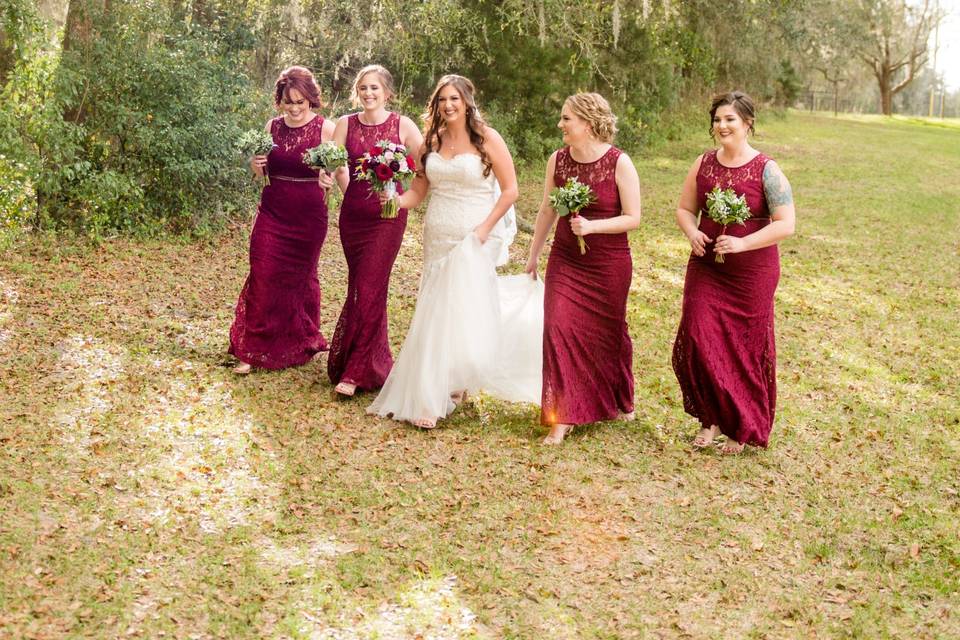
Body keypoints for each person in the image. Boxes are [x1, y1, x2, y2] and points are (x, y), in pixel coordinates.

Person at [367, 74, 543, 429]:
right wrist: (394, 201)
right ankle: (444, 384)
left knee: (464, 306)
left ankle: (447, 387)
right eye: (443, 99)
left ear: (467, 102)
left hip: (475, 234)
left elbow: (510, 191)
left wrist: (484, 230)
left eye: (455, 99)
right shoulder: (431, 141)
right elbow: (418, 192)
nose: (449, 105)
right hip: (438, 231)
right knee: (436, 305)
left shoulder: (488, 139)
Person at [671, 91, 795, 454]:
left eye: (730, 120)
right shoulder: (703, 163)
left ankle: (739, 426)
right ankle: (710, 417)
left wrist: (742, 243)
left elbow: (786, 224)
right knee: (698, 334)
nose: (722, 126)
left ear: (747, 124)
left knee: (743, 347)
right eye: (717, 120)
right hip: (707, 265)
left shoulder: (767, 170)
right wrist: (692, 231)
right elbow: (684, 209)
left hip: (752, 272)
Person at [525, 93, 642, 445]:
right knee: (558, 327)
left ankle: (616, 397)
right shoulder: (557, 161)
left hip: (609, 263)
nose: (560, 125)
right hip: (567, 259)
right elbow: (547, 210)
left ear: (587, 124)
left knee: (608, 333)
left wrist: (592, 227)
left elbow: (634, 218)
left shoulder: (619, 163)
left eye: (566, 119)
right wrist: (533, 256)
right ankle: (563, 415)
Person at [319, 65, 423, 397]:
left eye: (375, 88)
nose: (368, 94)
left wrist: (399, 194)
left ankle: (355, 372)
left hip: (388, 218)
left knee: (369, 284)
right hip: (354, 217)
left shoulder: (403, 125)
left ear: (387, 93)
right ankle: (372, 362)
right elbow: (333, 164)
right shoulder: (345, 124)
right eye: (363, 88)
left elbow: (424, 170)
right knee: (361, 287)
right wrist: (332, 179)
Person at [229, 66, 336, 374]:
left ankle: (296, 339)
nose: (295, 108)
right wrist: (255, 164)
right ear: (280, 101)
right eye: (289, 101)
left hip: (309, 217)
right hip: (272, 212)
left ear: (311, 100)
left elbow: (338, 171)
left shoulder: (325, 129)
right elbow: (259, 174)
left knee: (299, 279)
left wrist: (329, 179)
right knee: (262, 273)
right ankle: (251, 350)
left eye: (301, 102)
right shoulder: (272, 126)